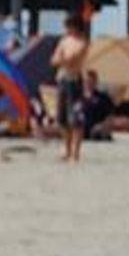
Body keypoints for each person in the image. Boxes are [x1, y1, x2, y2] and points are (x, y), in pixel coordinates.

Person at [52, 12, 90, 163]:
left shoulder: (82, 42)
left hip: (74, 81)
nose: (67, 29)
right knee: (61, 118)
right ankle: (67, 150)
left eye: (68, 26)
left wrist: (62, 59)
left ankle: (75, 153)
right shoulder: (64, 41)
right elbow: (54, 60)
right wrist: (62, 59)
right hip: (62, 79)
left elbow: (71, 59)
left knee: (75, 118)